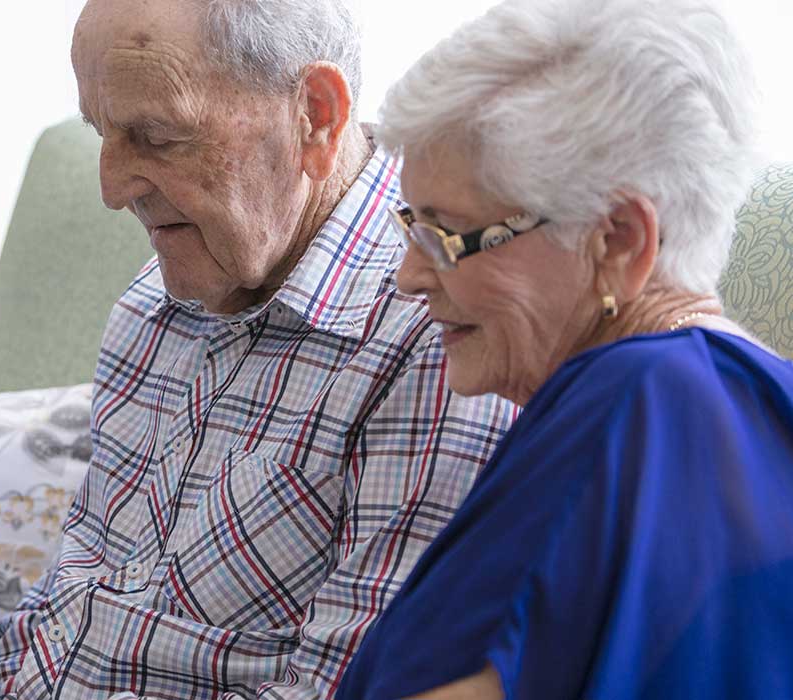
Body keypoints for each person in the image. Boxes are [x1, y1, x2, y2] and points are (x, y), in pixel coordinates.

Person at [0, 0, 516, 696]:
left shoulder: (436, 336)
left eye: (157, 136)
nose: (110, 189)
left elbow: (348, 688)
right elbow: (60, 618)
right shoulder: (152, 303)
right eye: (101, 132)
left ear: (315, 114)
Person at [336, 0, 793, 697]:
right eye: (410, 224)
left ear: (618, 241)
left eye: (446, 234)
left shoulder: (635, 400)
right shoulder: (756, 399)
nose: (408, 275)